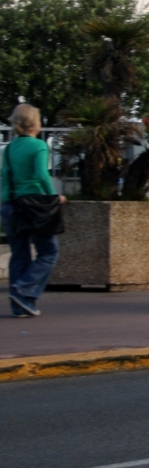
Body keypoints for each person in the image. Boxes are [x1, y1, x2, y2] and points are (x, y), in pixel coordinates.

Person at [1, 104, 65, 317]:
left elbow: (5, 177)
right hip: (35, 206)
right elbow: (41, 175)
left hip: (11, 205)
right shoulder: (38, 146)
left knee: (19, 254)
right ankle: (24, 290)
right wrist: (53, 197)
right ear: (35, 122)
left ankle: (19, 306)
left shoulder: (9, 148)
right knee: (49, 251)